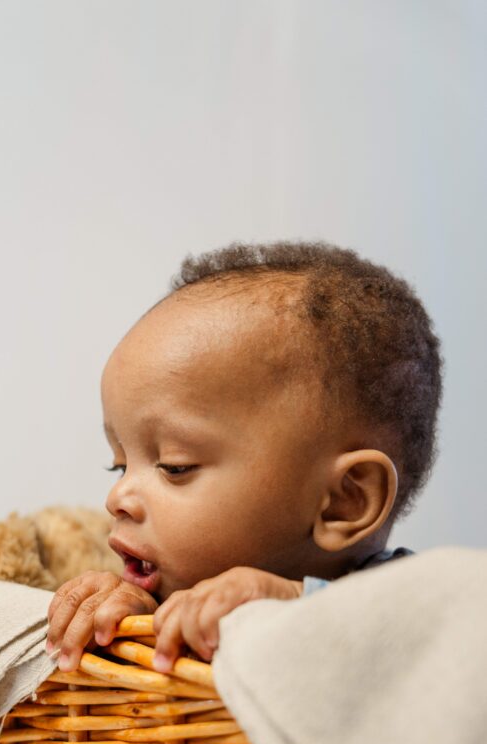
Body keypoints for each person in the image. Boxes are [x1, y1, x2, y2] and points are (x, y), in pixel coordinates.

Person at [46, 240, 442, 674]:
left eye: (174, 466)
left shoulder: (416, 605)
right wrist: (123, 611)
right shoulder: (170, 580)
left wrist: (293, 606)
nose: (117, 496)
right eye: (120, 465)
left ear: (343, 500)